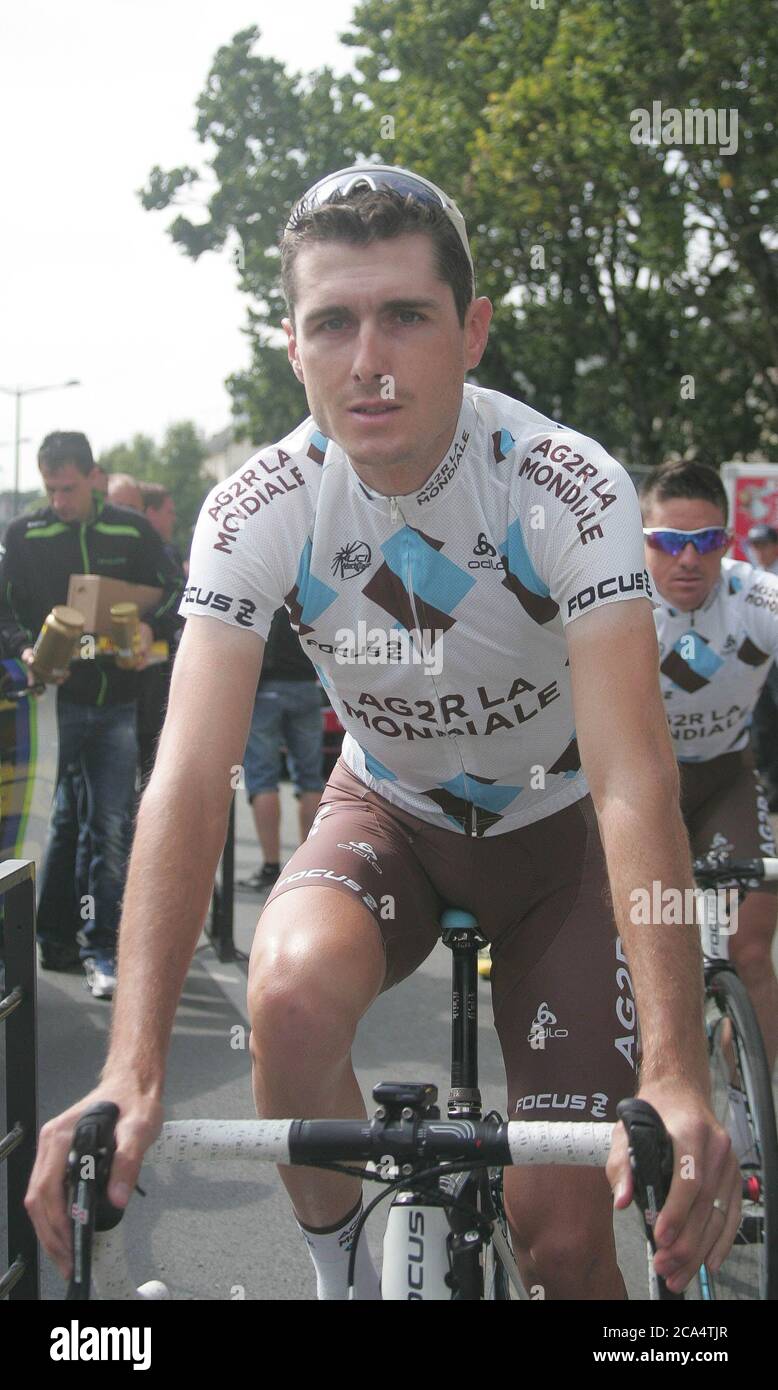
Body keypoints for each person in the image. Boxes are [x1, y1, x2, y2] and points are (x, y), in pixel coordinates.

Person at [26, 167, 737, 1301]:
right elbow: (189, 778)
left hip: (561, 844)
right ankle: (342, 1269)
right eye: (334, 322)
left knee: (563, 1238)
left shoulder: (567, 485)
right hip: (390, 816)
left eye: (405, 315)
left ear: (472, 331)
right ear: (291, 344)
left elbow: (630, 781)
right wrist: (133, 1065)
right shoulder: (257, 505)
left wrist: (673, 1066)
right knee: (288, 996)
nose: (369, 357)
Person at [0, 431, 184, 998]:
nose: (59, 500)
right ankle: (51, 939)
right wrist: (24, 647)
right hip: (50, 706)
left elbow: (179, 587)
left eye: (69, 489)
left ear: (94, 477)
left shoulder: (131, 529)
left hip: (118, 704)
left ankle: (103, 949)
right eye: (50, 489)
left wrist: (154, 626)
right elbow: (3, 611)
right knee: (50, 827)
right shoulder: (23, 534)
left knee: (108, 825)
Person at [641, 462, 778, 1071]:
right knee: (637, 951)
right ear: (642, 538)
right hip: (645, 784)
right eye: (670, 542)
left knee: (749, 955)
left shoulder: (753, 595)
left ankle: (754, 1122)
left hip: (726, 776)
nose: (690, 558)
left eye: (709, 542)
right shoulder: (618, 598)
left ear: (728, 541)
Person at [237, 604, 324, 891]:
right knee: (310, 778)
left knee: (263, 779)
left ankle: (271, 867)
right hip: (306, 685)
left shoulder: (265, 585)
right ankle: (310, 866)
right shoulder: (301, 585)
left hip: (266, 689)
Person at [136, 483, 185, 786]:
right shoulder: (148, 550)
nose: (173, 520)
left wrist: (151, 624)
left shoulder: (166, 552)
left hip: (156, 687)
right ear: (150, 512)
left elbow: (179, 596)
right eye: (169, 512)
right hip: (127, 693)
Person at [746, 524, 778, 808]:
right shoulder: (752, 577)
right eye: (755, 546)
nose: (759, 551)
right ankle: (770, 789)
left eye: (764, 545)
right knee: (763, 726)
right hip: (760, 662)